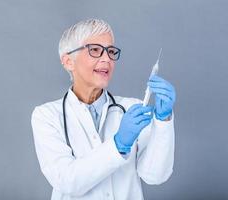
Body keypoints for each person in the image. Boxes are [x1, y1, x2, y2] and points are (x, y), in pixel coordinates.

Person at [31, 18, 176, 200]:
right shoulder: (47, 116)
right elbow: (67, 181)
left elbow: (155, 176)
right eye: (95, 50)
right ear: (68, 61)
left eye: (111, 51)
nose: (107, 58)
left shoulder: (132, 108)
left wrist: (163, 121)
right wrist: (118, 144)